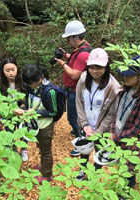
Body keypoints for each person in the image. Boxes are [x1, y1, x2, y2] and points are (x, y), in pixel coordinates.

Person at [75, 48, 121, 180]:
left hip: (101, 128)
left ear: (106, 67)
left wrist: (98, 131)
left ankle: (94, 174)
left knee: (99, 151)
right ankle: (82, 170)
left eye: (99, 67)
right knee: (84, 147)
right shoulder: (83, 79)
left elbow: (112, 114)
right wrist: (84, 125)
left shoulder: (113, 87)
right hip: (86, 124)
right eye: (92, 67)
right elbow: (78, 102)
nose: (94, 71)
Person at [111, 56, 140, 187]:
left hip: (132, 146)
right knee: (121, 171)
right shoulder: (128, 89)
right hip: (120, 137)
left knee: (129, 173)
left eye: (129, 75)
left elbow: (136, 132)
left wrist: (115, 137)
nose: (125, 77)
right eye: (124, 74)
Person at [55, 20, 92, 157]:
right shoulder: (83, 49)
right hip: (73, 90)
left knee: (74, 118)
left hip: (75, 91)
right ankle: (78, 132)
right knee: (76, 116)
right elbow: (75, 60)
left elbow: (74, 75)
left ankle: (81, 142)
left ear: (76, 37)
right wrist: (65, 55)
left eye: (70, 38)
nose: (69, 41)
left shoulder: (83, 54)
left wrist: (62, 63)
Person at [21, 64, 58, 184]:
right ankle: (43, 168)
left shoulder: (50, 91)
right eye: (28, 83)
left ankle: (47, 175)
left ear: (39, 79)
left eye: (31, 83)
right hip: (35, 124)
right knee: (40, 147)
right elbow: (28, 98)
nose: (30, 85)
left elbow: (53, 112)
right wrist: (25, 106)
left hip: (45, 125)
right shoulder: (31, 86)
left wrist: (36, 112)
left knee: (46, 151)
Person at [0, 56, 28, 161]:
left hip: (21, 112)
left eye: (13, 70)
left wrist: (24, 105)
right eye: (7, 70)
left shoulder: (23, 81)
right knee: (9, 132)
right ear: (2, 71)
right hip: (8, 113)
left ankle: (24, 149)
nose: (10, 73)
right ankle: (13, 149)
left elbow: (27, 96)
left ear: (17, 69)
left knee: (23, 130)